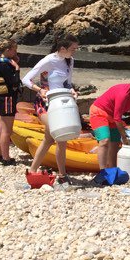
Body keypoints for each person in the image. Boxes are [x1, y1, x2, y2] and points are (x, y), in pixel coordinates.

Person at [21, 35, 79, 186]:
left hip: (60, 103)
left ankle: (33, 171)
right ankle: (62, 175)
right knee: (60, 135)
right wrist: (40, 90)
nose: (75, 52)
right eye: (73, 49)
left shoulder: (70, 60)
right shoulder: (48, 60)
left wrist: (72, 91)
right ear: (62, 49)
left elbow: (67, 83)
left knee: (50, 138)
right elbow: (26, 79)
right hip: (45, 104)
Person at [89, 78, 130, 171]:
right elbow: (117, 118)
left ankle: (113, 170)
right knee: (105, 140)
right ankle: (103, 173)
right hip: (99, 112)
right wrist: (124, 137)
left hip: (112, 116)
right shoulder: (123, 94)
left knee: (115, 143)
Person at [0, 39, 21, 165]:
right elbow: (13, 81)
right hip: (7, 97)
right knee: (7, 129)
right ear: (8, 50)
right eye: (14, 50)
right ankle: (6, 158)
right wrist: (17, 69)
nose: (16, 52)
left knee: (1, 126)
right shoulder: (5, 64)